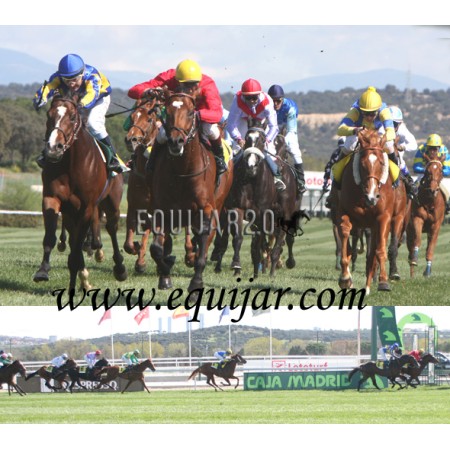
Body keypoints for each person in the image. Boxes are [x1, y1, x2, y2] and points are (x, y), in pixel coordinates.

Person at [127, 59, 227, 175]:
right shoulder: (168, 77)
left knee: (211, 130)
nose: (190, 89)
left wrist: (195, 115)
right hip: (177, 117)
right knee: (162, 134)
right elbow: (132, 91)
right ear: (177, 81)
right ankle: (152, 161)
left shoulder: (208, 84)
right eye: (186, 85)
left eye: (194, 85)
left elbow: (217, 114)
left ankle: (220, 159)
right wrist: (148, 91)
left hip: (199, 115)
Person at [33, 53, 123, 173]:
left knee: (93, 124)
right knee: (58, 120)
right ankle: (46, 152)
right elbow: (47, 88)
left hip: (98, 98)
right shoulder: (57, 77)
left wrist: (81, 104)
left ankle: (113, 157)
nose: (71, 84)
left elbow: (92, 95)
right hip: (74, 99)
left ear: (82, 74)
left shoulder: (92, 76)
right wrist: (40, 99)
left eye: (74, 80)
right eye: (66, 80)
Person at [226, 78, 285, 191]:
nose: (252, 101)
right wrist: (238, 139)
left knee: (268, 150)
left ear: (259, 95)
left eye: (254, 97)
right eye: (248, 98)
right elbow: (231, 124)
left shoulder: (267, 101)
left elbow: (274, 127)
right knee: (237, 149)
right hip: (243, 121)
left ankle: (276, 177)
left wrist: (267, 140)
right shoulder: (237, 100)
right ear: (243, 96)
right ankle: (229, 176)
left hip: (261, 122)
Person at [337, 86, 397, 165]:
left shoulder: (384, 111)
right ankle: (336, 168)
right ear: (361, 109)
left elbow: (391, 132)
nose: (369, 117)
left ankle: (397, 169)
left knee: (388, 145)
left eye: (372, 114)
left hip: (378, 132)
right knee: (350, 143)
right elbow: (340, 129)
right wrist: (354, 130)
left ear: (378, 110)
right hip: (360, 132)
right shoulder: (355, 111)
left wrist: (381, 139)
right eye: (365, 113)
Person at [268, 84, 306, 193]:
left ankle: (301, 181)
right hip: (270, 129)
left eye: (278, 101)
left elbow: (291, 130)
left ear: (282, 99)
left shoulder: (290, 107)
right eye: (272, 101)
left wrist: (283, 141)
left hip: (287, 130)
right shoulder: (265, 106)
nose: (275, 104)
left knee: (295, 151)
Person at [413, 133, 450, 214]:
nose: (432, 151)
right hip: (423, 174)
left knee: (446, 192)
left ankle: (446, 205)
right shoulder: (421, 150)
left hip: (437, 176)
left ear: (439, 148)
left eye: (435, 149)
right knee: (412, 189)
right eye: (430, 148)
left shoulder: (444, 151)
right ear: (427, 147)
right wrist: (427, 171)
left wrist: (437, 172)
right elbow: (416, 167)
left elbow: (447, 170)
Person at [389, 106, 418, 199]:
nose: (391, 127)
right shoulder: (381, 127)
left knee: (400, 161)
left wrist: (402, 147)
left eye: (394, 124)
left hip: (397, 151)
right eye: (389, 123)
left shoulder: (402, 130)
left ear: (400, 123)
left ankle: (410, 183)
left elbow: (414, 145)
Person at [323, 137, 346, 209]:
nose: (341, 149)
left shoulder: (353, 152)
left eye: (343, 147)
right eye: (340, 147)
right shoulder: (335, 153)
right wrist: (326, 182)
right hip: (338, 174)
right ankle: (331, 197)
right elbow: (329, 167)